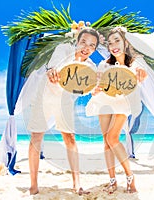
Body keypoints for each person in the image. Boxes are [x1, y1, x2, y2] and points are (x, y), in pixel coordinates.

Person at [24, 28, 100, 195]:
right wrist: (51, 71)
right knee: (37, 136)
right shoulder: (64, 48)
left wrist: (94, 89)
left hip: (64, 99)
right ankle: (33, 185)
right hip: (45, 94)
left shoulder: (90, 67)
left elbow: (83, 90)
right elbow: (53, 68)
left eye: (92, 45)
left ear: (95, 49)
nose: (86, 47)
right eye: (83, 42)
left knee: (69, 137)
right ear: (77, 42)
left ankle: (77, 184)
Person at [86, 27, 148, 193]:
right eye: (110, 42)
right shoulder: (103, 64)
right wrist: (95, 90)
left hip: (122, 101)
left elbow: (141, 73)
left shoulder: (135, 62)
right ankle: (112, 180)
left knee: (113, 138)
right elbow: (95, 87)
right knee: (106, 142)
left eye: (117, 41)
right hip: (105, 100)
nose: (113, 45)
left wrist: (141, 74)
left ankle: (130, 176)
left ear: (125, 42)